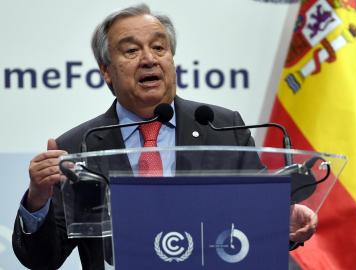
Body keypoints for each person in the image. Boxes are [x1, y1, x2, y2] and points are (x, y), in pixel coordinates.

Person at [12, 4, 317, 269]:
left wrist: (281, 220)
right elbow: (43, 259)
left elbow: (254, 215)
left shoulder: (223, 128)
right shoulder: (80, 147)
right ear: (106, 71)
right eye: (131, 50)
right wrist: (38, 199)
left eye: (159, 47)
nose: (149, 59)